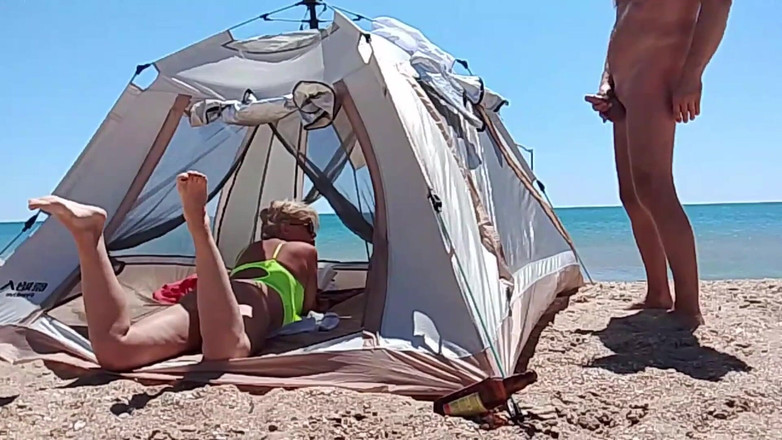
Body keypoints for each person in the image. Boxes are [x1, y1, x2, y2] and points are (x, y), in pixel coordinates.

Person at [28, 171, 320, 371]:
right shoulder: (305, 252)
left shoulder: (253, 249)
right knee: (227, 353)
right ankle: (200, 228)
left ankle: (89, 236)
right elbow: (308, 306)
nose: (313, 235)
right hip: (254, 298)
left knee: (116, 350)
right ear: (287, 228)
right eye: (309, 227)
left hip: (214, 295)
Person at [585, 0, 732, 327]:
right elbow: (622, 22)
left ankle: (689, 306)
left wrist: (693, 75)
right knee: (632, 194)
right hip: (624, 78)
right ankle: (658, 292)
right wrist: (607, 81)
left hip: (659, 67)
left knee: (654, 186)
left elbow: (719, 4)